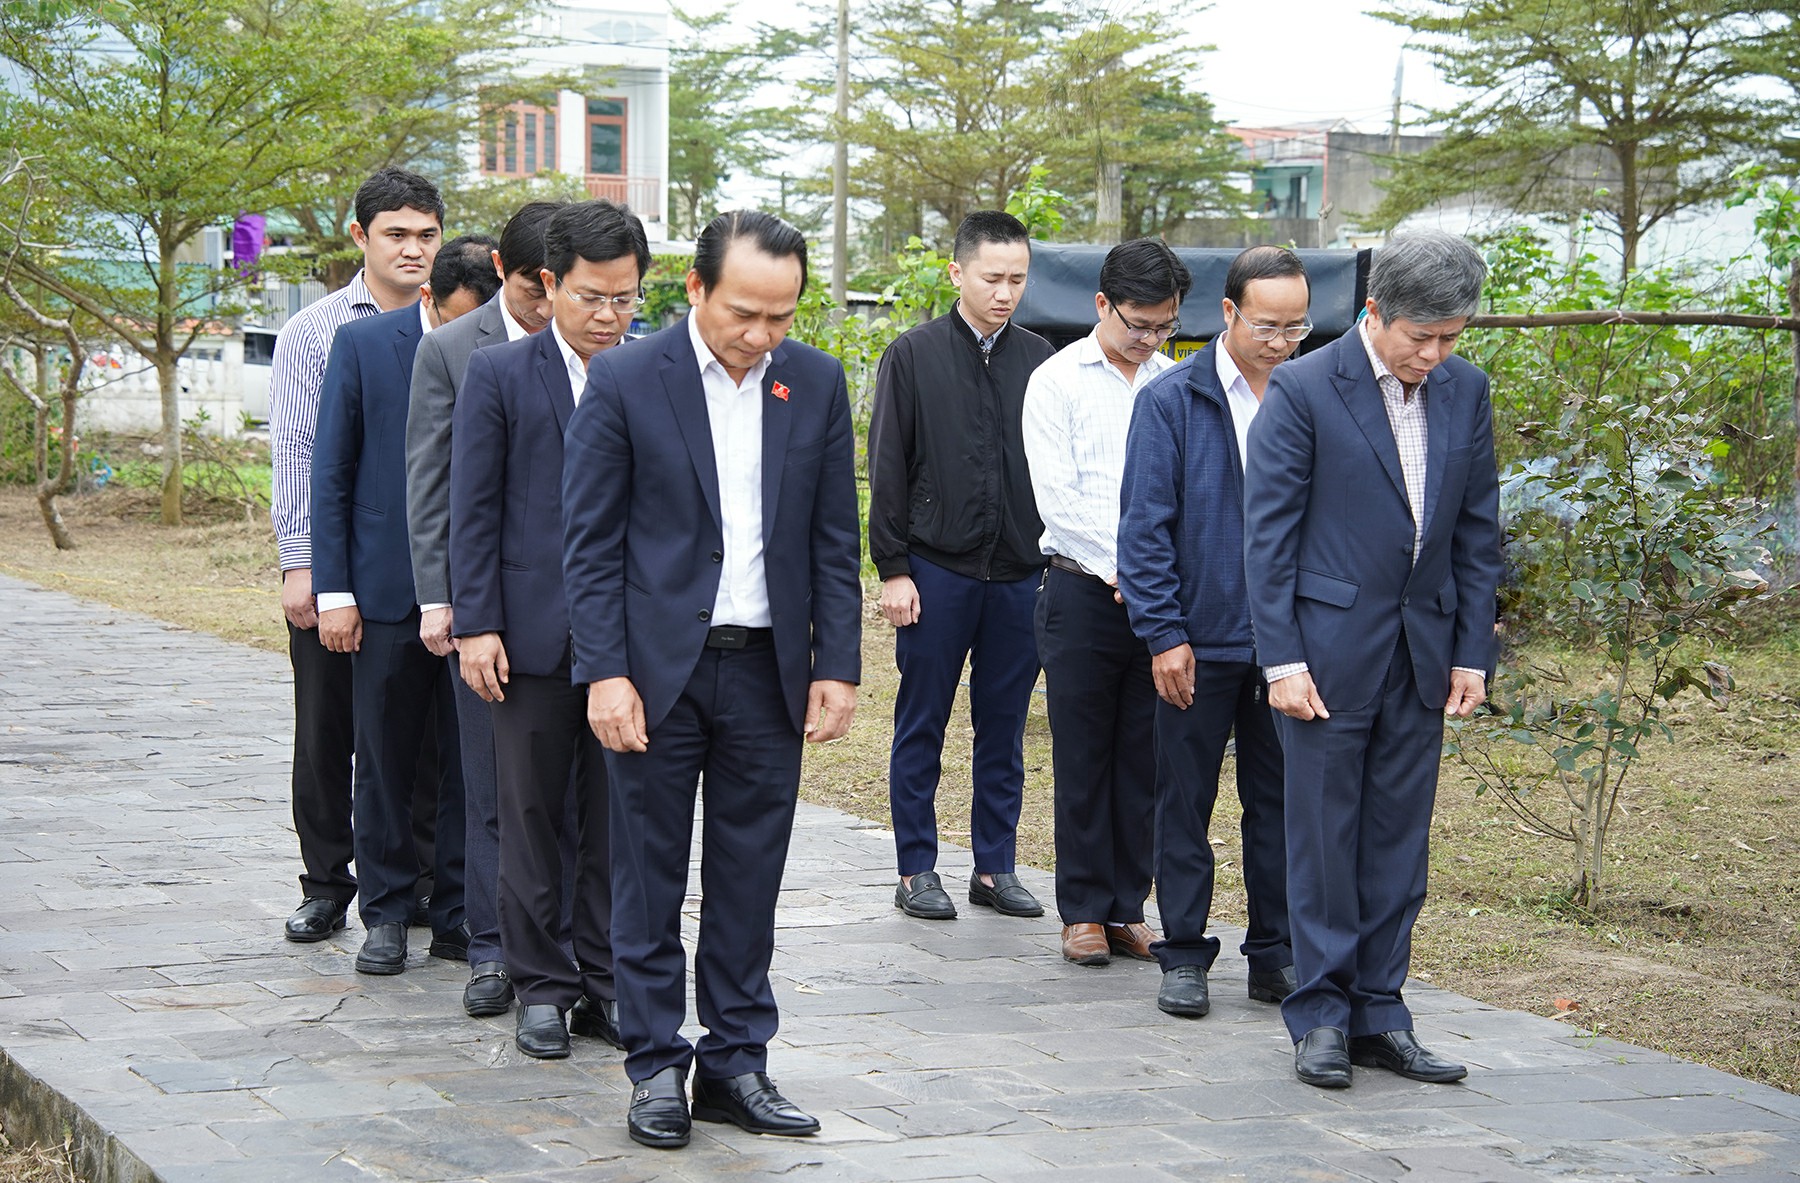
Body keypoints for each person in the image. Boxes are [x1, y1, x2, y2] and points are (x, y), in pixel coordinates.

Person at [562, 210, 861, 1149]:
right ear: (695, 289)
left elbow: (832, 538)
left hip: (769, 670)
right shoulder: (625, 379)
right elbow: (590, 544)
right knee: (647, 874)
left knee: (749, 875)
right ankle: (656, 1061)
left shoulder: (815, 382)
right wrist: (605, 672)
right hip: (656, 675)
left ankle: (737, 1061)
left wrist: (837, 664)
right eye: (744, 313)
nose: (761, 334)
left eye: (781, 315)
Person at [1243, 231, 1502, 1089]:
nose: (1435, 354)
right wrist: (1281, 658)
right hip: (1323, 658)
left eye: (1451, 337)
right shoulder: (1306, 387)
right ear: (1373, 312)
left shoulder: (1466, 390)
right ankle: (1320, 1014)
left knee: (1398, 842)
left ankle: (1380, 1011)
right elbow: (1267, 537)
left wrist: (1472, 651)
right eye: (1420, 336)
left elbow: (1477, 533)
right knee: (1323, 838)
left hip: (1423, 653)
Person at [449, 200, 649, 1059]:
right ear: (550, 283)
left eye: (624, 299)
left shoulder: (652, 375)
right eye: (591, 297)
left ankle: (604, 980)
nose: (608, 315)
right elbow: (473, 509)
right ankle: (541, 984)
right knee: (528, 813)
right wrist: (477, 624)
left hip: (629, 643)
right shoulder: (499, 373)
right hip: (526, 634)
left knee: (615, 820)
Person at [1117, 245, 1309, 1020]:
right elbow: (1144, 528)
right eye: (1268, 325)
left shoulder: (1310, 394)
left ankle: (1275, 953)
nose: (1282, 342)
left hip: (1288, 647)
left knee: (1282, 805)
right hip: (1199, 641)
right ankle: (1185, 951)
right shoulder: (1173, 399)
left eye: (1297, 327)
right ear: (1229, 312)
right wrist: (1164, 633)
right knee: (1184, 802)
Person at [309, 235, 497, 974]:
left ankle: (455, 912)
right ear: (429, 300)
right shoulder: (363, 344)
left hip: (474, 594)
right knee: (383, 759)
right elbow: (331, 470)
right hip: (385, 590)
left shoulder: (503, 346)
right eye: (453, 318)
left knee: (468, 765)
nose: (463, 334)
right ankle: (384, 912)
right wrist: (333, 589)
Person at [269, 166, 444, 944]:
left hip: (420, 575)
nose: (413, 249)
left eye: (426, 235)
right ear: (359, 237)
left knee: (417, 737)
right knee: (327, 732)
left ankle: (419, 880)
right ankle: (324, 881)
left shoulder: (455, 321)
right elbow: (302, 453)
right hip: (334, 567)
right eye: (396, 234)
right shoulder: (315, 330)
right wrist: (302, 564)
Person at [867, 210, 1054, 922]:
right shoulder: (912, 355)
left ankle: (994, 866)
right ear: (957, 273)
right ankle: (916, 867)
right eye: (992, 278)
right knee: (923, 722)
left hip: (1017, 574)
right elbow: (888, 465)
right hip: (935, 571)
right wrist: (894, 568)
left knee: (1004, 728)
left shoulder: (1040, 359)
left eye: (1017, 280)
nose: (1005, 293)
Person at [405, 200, 561, 1018]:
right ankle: (493, 946)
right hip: (486, 601)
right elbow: (432, 484)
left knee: (573, 796)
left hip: (578, 609)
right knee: (491, 787)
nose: (548, 305)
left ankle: (566, 948)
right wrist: (444, 601)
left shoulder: (605, 349)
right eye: (535, 289)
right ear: (503, 270)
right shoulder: (452, 349)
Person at [1021, 238, 1188, 967]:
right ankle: (1084, 909)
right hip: (1083, 592)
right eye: (1138, 324)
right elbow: (1058, 498)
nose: (1150, 338)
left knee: (1145, 756)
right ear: (1102, 304)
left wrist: (1156, 582)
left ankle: (1127, 906)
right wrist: (1130, 570)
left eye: (1164, 325)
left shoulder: (1175, 382)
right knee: (1084, 753)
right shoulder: (1055, 381)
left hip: (1159, 604)